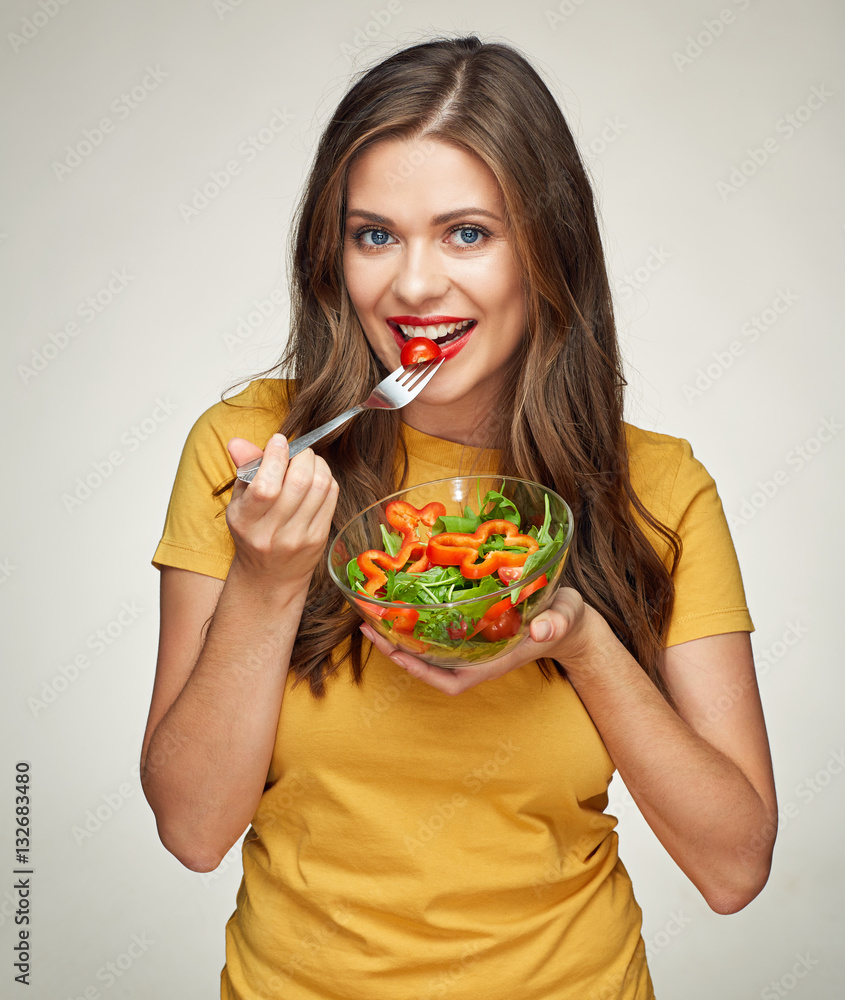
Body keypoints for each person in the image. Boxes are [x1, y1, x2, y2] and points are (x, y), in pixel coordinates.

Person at [141, 35, 777, 1000]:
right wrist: (267, 585)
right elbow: (191, 830)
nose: (412, 286)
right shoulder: (251, 455)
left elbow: (734, 869)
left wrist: (583, 643)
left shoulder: (657, 487)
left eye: (467, 234)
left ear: (546, 250)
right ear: (334, 251)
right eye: (375, 234)